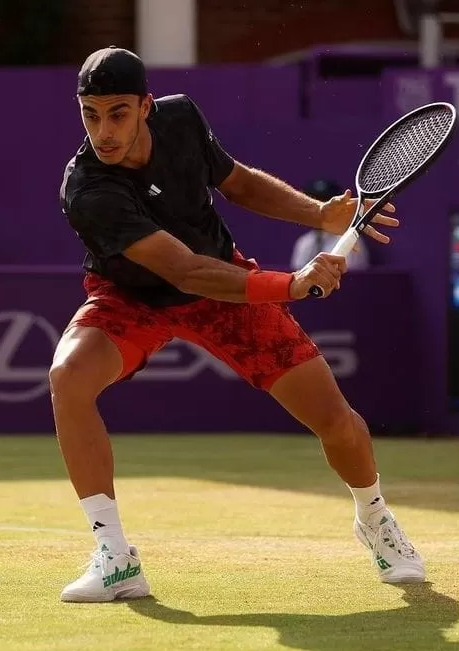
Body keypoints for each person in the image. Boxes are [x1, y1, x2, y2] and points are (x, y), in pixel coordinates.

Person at [54, 47, 424, 603]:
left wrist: (319, 214)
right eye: (90, 114)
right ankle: (115, 557)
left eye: (118, 113)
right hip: (131, 296)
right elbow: (183, 270)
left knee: (335, 421)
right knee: (69, 377)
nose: (103, 131)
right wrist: (292, 284)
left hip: (224, 286)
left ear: (146, 107)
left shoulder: (180, 118)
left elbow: (240, 184)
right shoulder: (87, 189)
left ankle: (373, 517)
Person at [290, 179, 370, 271]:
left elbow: (345, 278)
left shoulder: (351, 241)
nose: (321, 208)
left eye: (325, 201)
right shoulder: (304, 242)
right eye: (314, 201)